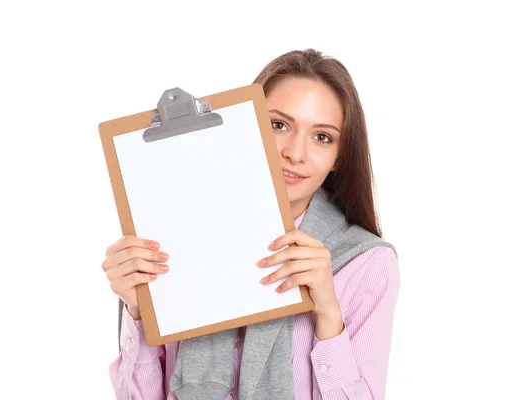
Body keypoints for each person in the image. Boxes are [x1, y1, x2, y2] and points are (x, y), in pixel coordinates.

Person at [102, 49, 400, 400]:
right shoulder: (176, 238)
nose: (295, 152)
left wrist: (328, 313)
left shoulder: (366, 263)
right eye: (279, 125)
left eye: (322, 137)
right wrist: (136, 309)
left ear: (339, 156)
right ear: (245, 127)